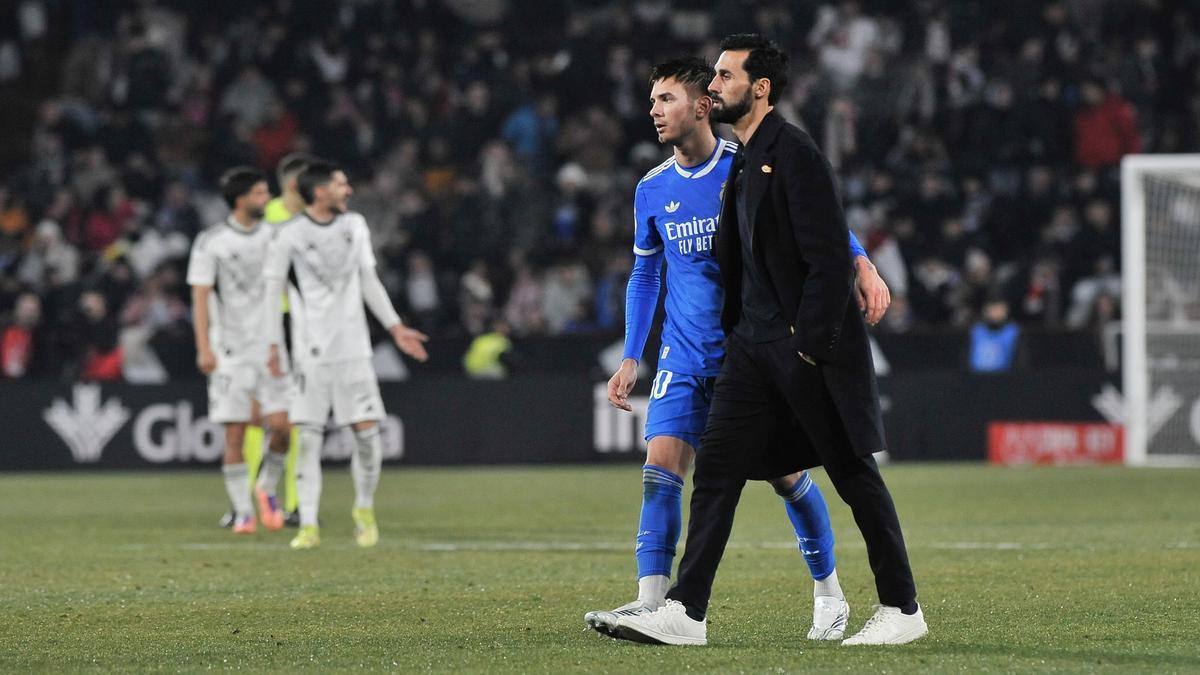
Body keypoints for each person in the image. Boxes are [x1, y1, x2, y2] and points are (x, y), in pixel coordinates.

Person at [611, 35, 926, 647]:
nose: (712, 88)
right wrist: (636, 350)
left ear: (755, 88)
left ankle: (888, 604)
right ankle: (680, 609)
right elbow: (658, 270)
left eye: (721, 78)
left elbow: (828, 240)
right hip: (738, 350)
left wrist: (849, 286)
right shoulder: (713, 170)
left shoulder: (784, 155)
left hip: (792, 347)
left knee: (841, 472)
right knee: (714, 473)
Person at [262, 161, 429, 550]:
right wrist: (273, 345)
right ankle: (307, 523)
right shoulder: (289, 234)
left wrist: (395, 327)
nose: (348, 189)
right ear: (319, 191)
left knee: (368, 436)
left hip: (354, 349)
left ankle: (364, 511)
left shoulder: (354, 226)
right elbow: (272, 293)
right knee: (307, 440)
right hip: (310, 353)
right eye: (340, 183)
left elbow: (368, 280)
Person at [188, 167, 293, 534]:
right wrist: (204, 348)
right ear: (241, 199)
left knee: (282, 428)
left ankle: (266, 486)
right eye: (262, 194)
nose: (268, 200)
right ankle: (242, 511)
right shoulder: (211, 241)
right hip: (230, 350)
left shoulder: (277, 237)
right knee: (234, 433)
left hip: (271, 347)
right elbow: (200, 297)